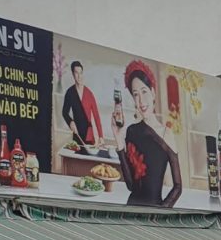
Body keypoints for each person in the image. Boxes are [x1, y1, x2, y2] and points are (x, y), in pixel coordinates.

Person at [113, 60, 182, 207]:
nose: (141, 100)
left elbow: (178, 187)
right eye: (135, 94)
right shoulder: (131, 131)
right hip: (130, 209)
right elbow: (131, 185)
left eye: (144, 92)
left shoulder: (166, 134)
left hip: (154, 212)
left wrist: (160, 213)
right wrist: (119, 141)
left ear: (153, 92)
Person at [61, 60, 104, 148]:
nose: (79, 76)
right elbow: (64, 112)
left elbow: (96, 115)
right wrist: (70, 122)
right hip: (77, 133)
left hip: (89, 135)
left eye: (81, 73)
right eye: (76, 73)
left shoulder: (89, 94)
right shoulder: (70, 93)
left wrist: (101, 136)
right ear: (73, 74)